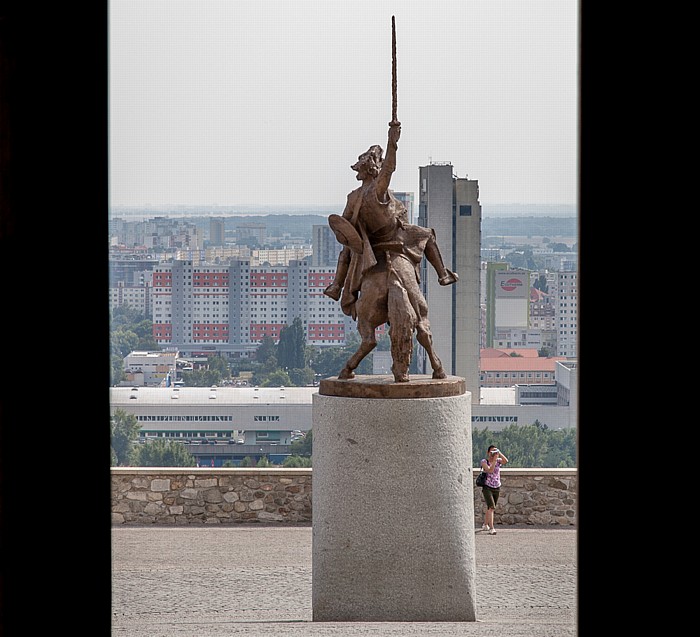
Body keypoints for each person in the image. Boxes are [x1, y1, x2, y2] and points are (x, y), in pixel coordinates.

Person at [323, 120, 458, 316]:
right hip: (394, 235)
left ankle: (337, 285)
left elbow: (344, 225)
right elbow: (390, 168)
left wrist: (352, 239)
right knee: (427, 235)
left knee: (345, 252)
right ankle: (443, 274)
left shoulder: (353, 197)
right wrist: (392, 142)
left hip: (368, 243)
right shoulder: (377, 189)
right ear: (374, 167)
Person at [479, 444, 509, 535]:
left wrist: (499, 453)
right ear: (488, 453)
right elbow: (490, 470)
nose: (493, 454)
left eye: (494, 452)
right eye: (491, 452)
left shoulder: (498, 461)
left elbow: (505, 461)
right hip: (487, 487)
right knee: (491, 507)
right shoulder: (484, 461)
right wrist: (494, 460)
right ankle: (491, 528)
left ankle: (485, 524)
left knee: (490, 508)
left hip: (496, 486)